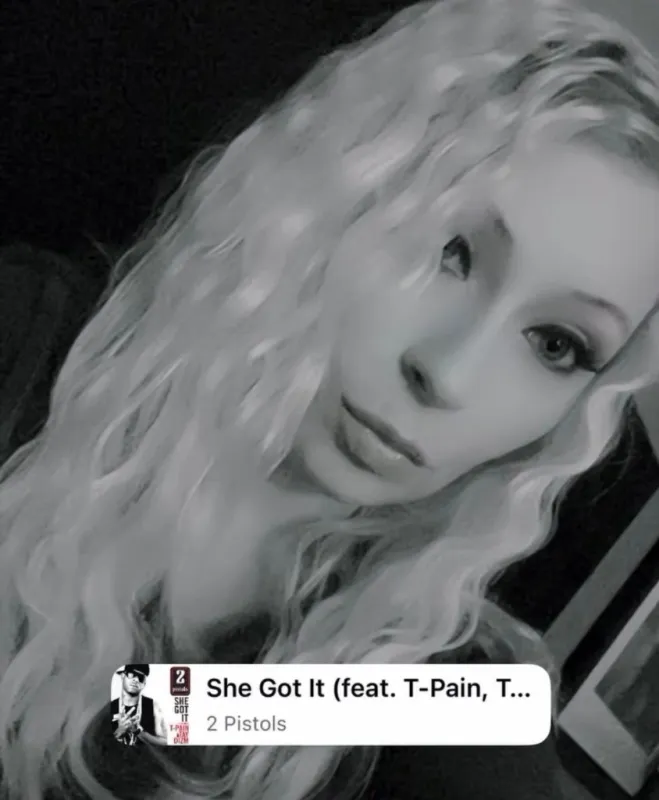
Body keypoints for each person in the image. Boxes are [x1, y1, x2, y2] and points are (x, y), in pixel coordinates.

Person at [1, 0, 659, 798]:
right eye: (448, 250)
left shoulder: (424, 705)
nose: (448, 373)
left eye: (556, 344)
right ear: (335, 191)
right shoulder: (26, 342)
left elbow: (136, 716)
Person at [111, 665, 168, 747]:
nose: (136, 680)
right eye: (131, 675)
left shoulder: (153, 706)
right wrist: (119, 731)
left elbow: (165, 742)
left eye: (140, 678)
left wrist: (138, 732)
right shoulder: (110, 707)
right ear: (122, 676)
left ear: (144, 684)